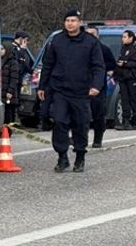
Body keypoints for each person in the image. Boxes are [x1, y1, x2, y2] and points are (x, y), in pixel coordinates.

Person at [38, 10, 104, 172]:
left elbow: (98, 66)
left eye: (73, 20)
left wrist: (96, 86)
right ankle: (62, 157)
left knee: (81, 125)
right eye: (67, 20)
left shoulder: (90, 42)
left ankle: (80, 156)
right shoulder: (57, 41)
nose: (70, 23)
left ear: (80, 22)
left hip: (81, 92)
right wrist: (42, 86)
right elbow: (47, 65)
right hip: (60, 90)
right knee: (60, 122)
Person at [85, 27, 117, 147]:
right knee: (81, 114)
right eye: (87, 34)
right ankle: (80, 138)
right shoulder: (80, 49)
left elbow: (112, 65)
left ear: (97, 36)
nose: (90, 36)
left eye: (92, 34)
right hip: (81, 86)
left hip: (98, 87)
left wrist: (100, 67)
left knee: (98, 115)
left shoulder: (104, 49)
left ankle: (97, 139)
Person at [113, 30, 136, 130]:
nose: (123, 39)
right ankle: (125, 121)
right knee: (124, 100)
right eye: (122, 37)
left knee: (133, 99)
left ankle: (134, 122)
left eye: (124, 37)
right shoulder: (123, 48)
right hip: (123, 78)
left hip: (133, 78)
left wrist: (125, 63)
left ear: (131, 38)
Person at [0, 43, 22, 125]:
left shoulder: (13, 62)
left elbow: (14, 78)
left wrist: (10, 91)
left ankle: (8, 130)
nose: (0, 51)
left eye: (2, 49)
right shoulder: (1, 61)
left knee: (8, 112)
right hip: (2, 91)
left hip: (9, 93)